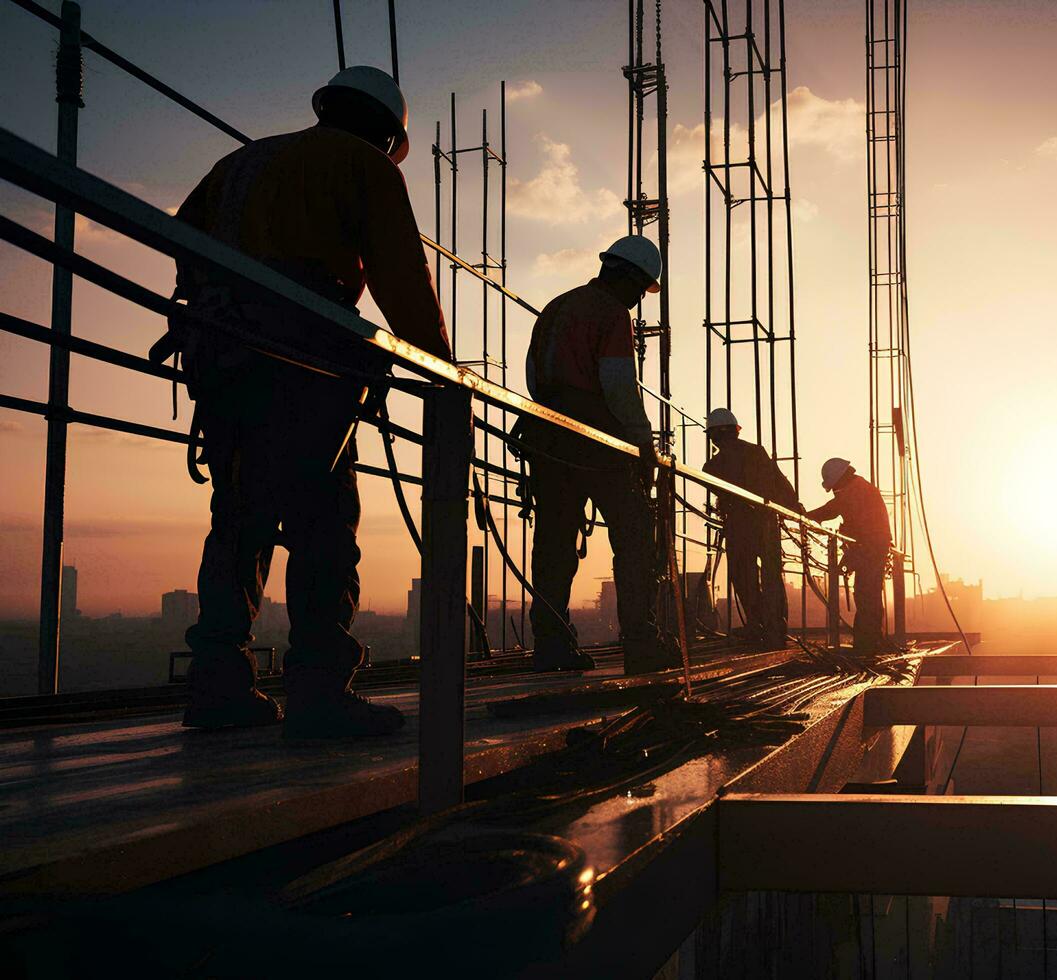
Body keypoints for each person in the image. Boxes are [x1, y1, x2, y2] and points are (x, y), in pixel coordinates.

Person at [167, 66, 453, 737]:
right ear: (386, 135)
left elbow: (183, 240)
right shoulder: (366, 166)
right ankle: (321, 690)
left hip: (223, 353)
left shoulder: (241, 161)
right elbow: (401, 276)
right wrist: (440, 371)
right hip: (305, 359)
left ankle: (217, 683)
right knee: (322, 522)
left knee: (239, 513)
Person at [523, 236, 678, 675]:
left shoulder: (558, 306)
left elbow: (535, 375)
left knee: (553, 542)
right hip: (597, 438)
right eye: (640, 288)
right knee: (633, 538)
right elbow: (618, 386)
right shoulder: (611, 313)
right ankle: (641, 642)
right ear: (628, 277)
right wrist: (642, 441)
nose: (637, 300)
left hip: (548, 435)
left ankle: (551, 645)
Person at [702, 408, 800, 647]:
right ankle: (775, 627)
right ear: (736, 431)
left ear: (714, 436)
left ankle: (757, 625)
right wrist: (794, 507)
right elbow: (781, 481)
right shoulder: (757, 452)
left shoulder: (713, 466)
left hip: (740, 525)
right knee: (771, 576)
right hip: (767, 522)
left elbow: (716, 483)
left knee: (744, 575)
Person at [806, 457, 892, 655]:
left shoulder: (855, 490)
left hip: (870, 547)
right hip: (873, 546)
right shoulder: (858, 487)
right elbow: (840, 510)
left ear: (839, 479)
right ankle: (871, 640)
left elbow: (833, 509)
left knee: (865, 594)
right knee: (869, 593)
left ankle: (866, 643)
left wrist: (807, 516)